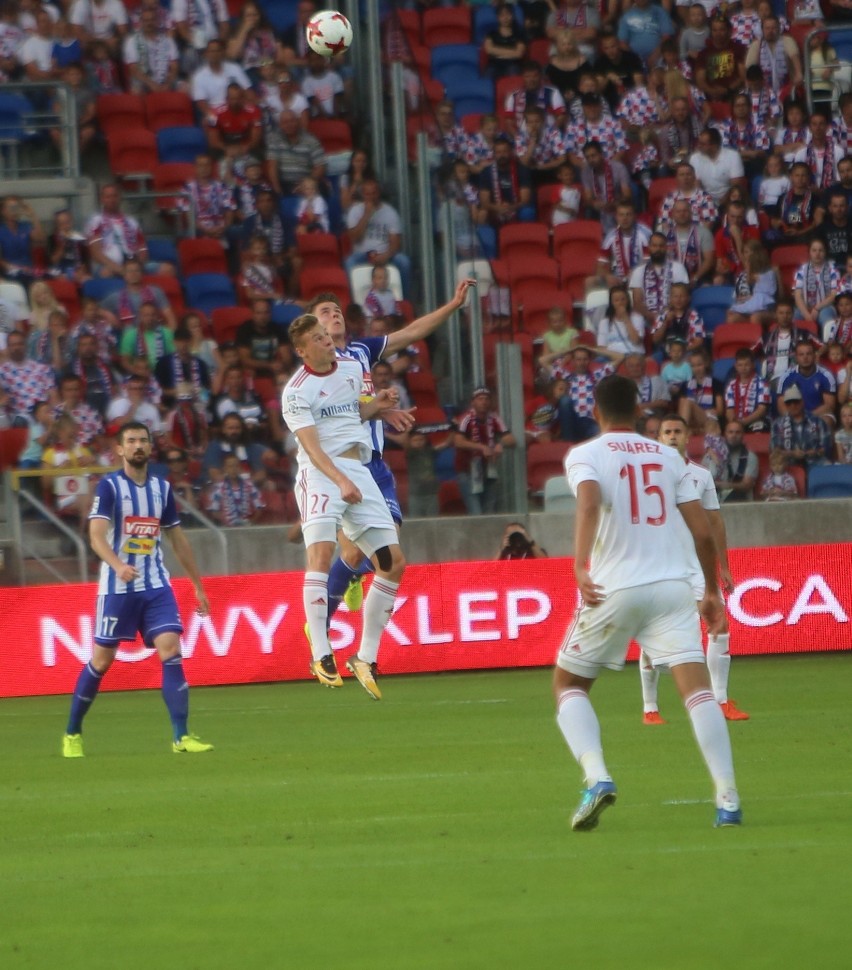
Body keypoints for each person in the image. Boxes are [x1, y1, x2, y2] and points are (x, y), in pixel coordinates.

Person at [553, 375, 741, 831]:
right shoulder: (667, 456)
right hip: (673, 588)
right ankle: (728, 799)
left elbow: (589, 504)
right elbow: (702, 531)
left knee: (569, 685)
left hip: (614, 585)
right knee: (698, 692)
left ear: (595, 412)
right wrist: (712, 591)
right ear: (639, 412)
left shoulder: (586, 454)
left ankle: (597, 776)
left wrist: (580, 564)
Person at [61, 421, 214, 758]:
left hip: (157, 584)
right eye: (130, 441)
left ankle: (181, 736)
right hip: (117, 587)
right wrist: (117, 565)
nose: (137, 446)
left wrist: (197, 585)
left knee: (171, 649)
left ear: (150, 446)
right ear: (120, 449)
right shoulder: (110, 487)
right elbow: (96, 535)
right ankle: (73, 732)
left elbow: (177, 538)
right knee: (102, 661)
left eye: (142, 440)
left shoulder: (162, 488)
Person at [283, 312, 407, 699]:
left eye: (326, 335)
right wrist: (339, 480)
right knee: (321, 555)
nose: (328, 341)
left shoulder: (352, 366)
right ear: (303, 351)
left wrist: (379, 405)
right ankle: (321, 652)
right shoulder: (296, 391)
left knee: (393, 562)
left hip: (359, 468)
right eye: (318, 339)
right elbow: (312, 446)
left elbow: (354, 413)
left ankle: (365, 657)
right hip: (321, 474)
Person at [638, 413, 748, 726]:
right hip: (659, 568)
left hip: (697, 568)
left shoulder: (701, 476)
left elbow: (714, 522)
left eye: (677, 431)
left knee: (720, 626)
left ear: (688, 438)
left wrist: (722, 565)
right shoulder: (647, 476)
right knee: (653, 640)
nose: (672, 436)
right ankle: (650, 707)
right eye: (667, 431)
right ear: (659, 438)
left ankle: (721, 700)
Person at [453, 386, 517, 515]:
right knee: (476, 510)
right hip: (468, 471)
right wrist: (481, 447)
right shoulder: (466, 418)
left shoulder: (494, 418)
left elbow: (511, 439)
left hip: (488, 470)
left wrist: (500, 444)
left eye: (486, 399)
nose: (483, 402)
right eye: (480, 399)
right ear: (473, 402)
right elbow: (458, 441)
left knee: (489, 509)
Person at [771, 384, 833, 467]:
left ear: (802, 402)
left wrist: (811, 453)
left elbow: (826, 448)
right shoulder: (778, 424)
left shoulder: (818, 421)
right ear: (785, 405)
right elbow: (776, 451)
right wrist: (792, 454)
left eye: (796, 402)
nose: (793, 405)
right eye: (789, 403)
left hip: (815, 462)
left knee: (828, 465)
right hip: (788, 465)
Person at [725, 348, 772, 431]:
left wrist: (744, 422)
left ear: (753, 365)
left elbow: (762, 410)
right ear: (735, 366)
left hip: (756, 421)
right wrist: (734, 422)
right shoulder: (731, 385)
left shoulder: (762, 383)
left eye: (746, 364)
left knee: (760, 427)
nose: (743, 368)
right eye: (740, 365)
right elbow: (729, 409)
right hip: (736, 422)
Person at [716, 418, 759, 502]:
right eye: (730, 432)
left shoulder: (751, 457)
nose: (734, 435)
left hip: (741, 502)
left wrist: (724, 485)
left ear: (743, 435)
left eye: (737, 432)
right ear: (725, 434)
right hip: (716, 501)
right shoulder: (713, 455)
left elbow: (746, 485)